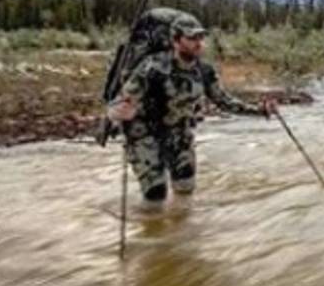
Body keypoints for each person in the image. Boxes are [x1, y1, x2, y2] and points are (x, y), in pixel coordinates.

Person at [106, 14, 277, 209]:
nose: (198, 43)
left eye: (200, 38)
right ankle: (151, 227)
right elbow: (124, 100)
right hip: (145, 135)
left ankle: (180, 230)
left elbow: (224, 101)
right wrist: (119, 112)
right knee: (156, 194)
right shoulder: (153, 67)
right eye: (192, 38)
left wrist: (259, 111)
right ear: (176, 41)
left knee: (185, 187)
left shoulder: (204, 71)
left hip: (179, 133)